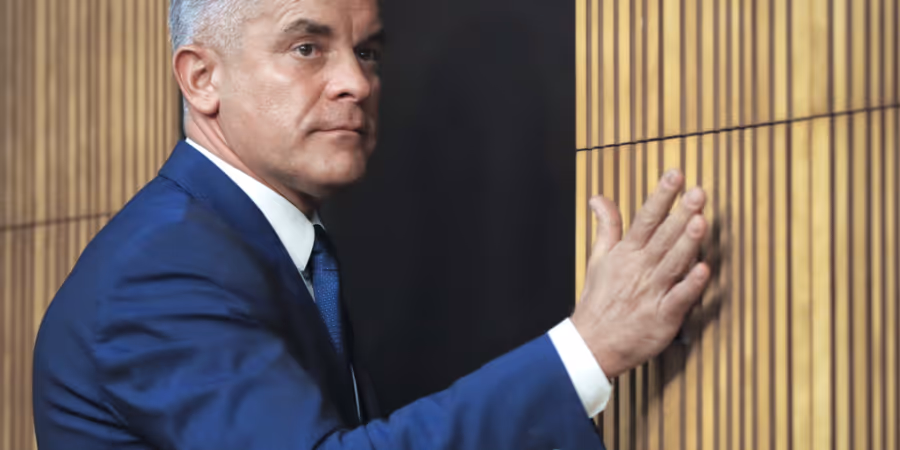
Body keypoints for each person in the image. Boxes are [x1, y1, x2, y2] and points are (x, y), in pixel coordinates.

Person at [31, 0, 711, 448]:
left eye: (368, 53)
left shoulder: (262, 246)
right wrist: (589, 348)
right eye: (307, 48)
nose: (356, 82)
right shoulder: (156, 273)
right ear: (202, 78)